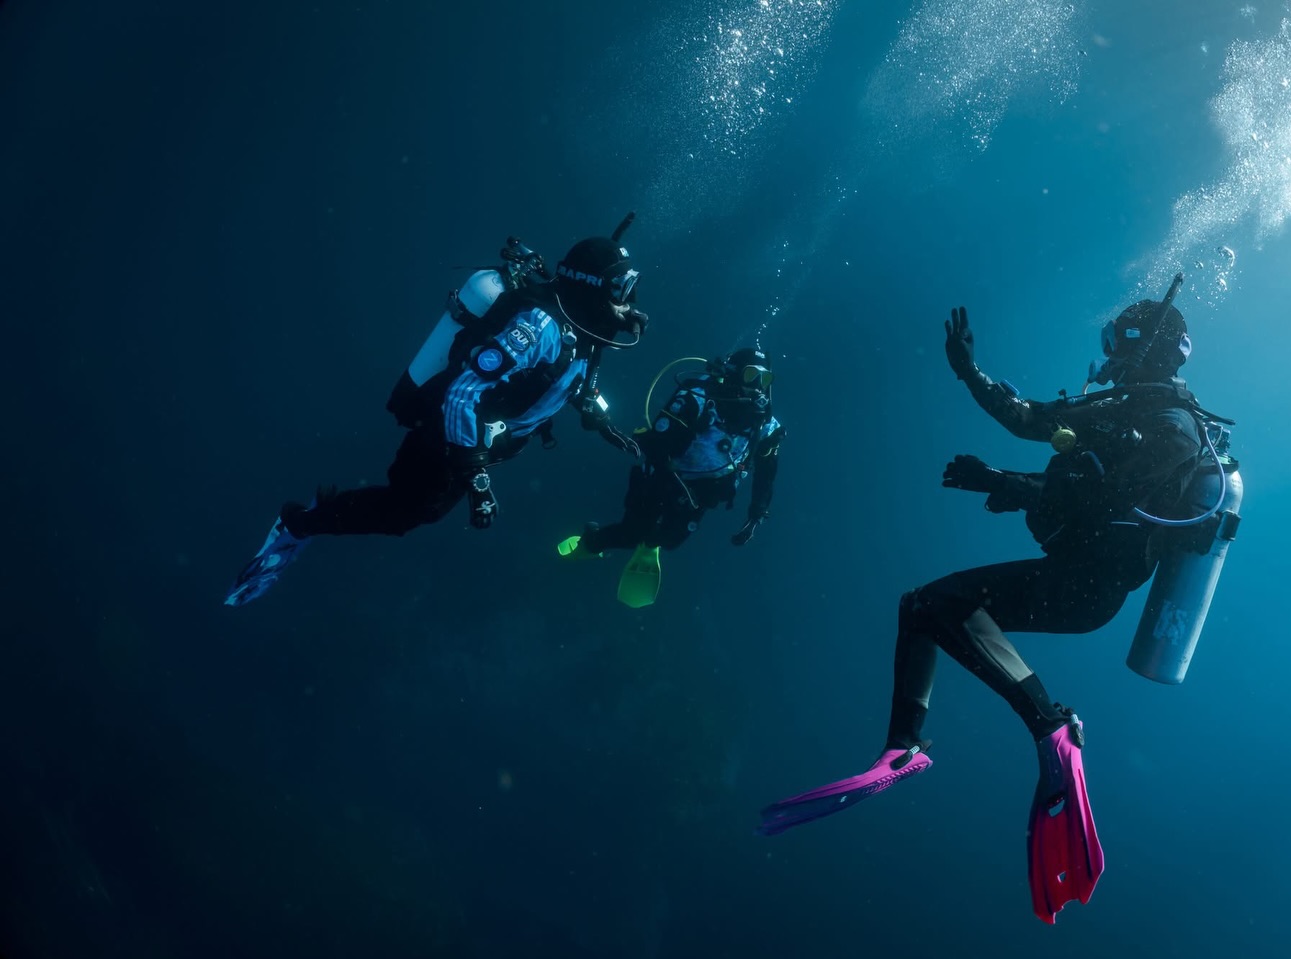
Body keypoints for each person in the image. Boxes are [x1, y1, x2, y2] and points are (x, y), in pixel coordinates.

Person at [756, 277, 1240, 924]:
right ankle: (904, 746)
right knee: (923, 605)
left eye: (1116, 337)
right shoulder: (1133, 408)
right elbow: (1033, 419)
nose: (1109, 353)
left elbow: (1107, 502)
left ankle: (1050, 723)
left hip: (1087, 588)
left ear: (1140, 343)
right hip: (1077, 578)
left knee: (937, 603)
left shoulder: (1167, 424)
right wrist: (970, 374)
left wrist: (1008, 482)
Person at [224, 218, 649, 606]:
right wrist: (477, 476)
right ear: (592, 287)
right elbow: (463, 395)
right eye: (620, 290)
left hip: (482, 441)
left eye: (627, 290)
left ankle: (321, 512)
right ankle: (298, 525)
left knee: (418, 508)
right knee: (406, 513)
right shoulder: (539, 329)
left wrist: (600, 417)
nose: (626, 302)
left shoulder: (585, 330)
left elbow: (563, 381)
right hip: (449, 435)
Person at [557, 346, 785, 607]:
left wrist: (756, 513)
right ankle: (591, 541)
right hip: (662, 474)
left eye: (764, 379)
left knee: (670, 540)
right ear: (733, 374)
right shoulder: (697, 396)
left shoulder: (766, 425)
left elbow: (767, 471)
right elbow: (659, 443)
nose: (757, 386)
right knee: (632, 532)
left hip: (701, 493)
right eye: (750, 376)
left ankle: (652, 540)